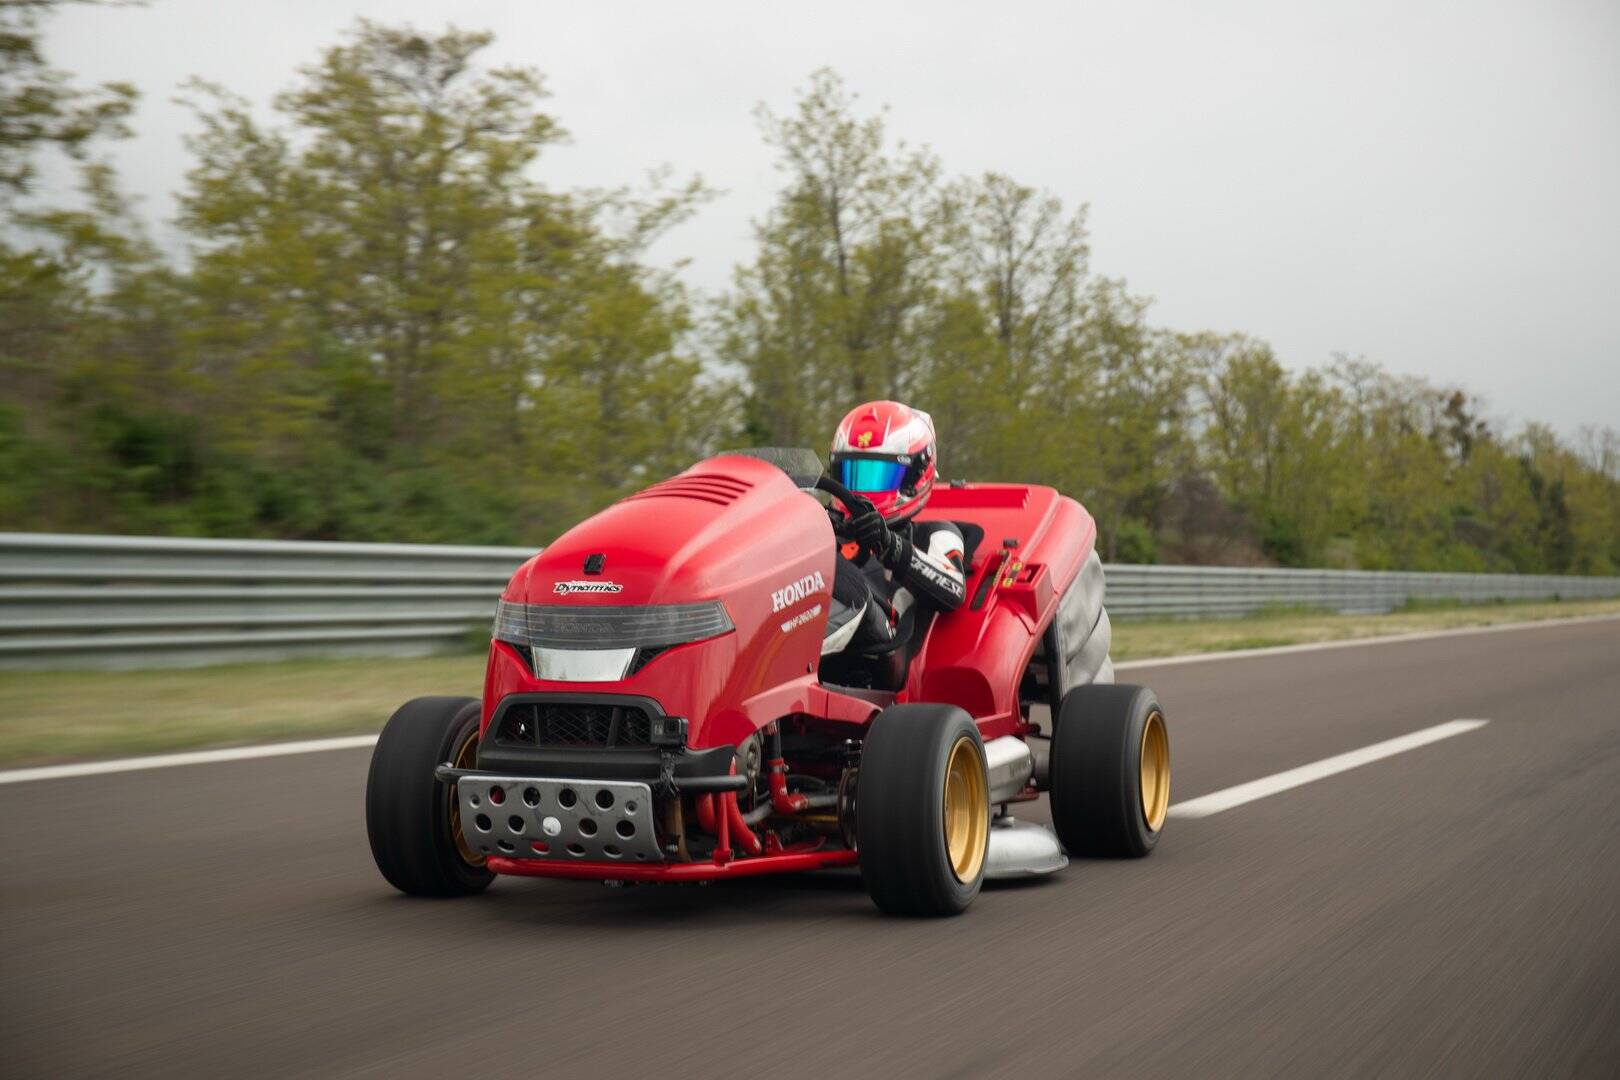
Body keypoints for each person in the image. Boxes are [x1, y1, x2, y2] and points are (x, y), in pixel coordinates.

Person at [822, 401, 966, 660]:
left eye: (878, 476)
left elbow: (953, 589)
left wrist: (889, 545)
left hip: (880, 652)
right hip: (811, 630)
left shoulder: (934, 533)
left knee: (838, 574)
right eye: (851, 474)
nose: (861, 491)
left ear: (916, 476)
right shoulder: (824, 525)